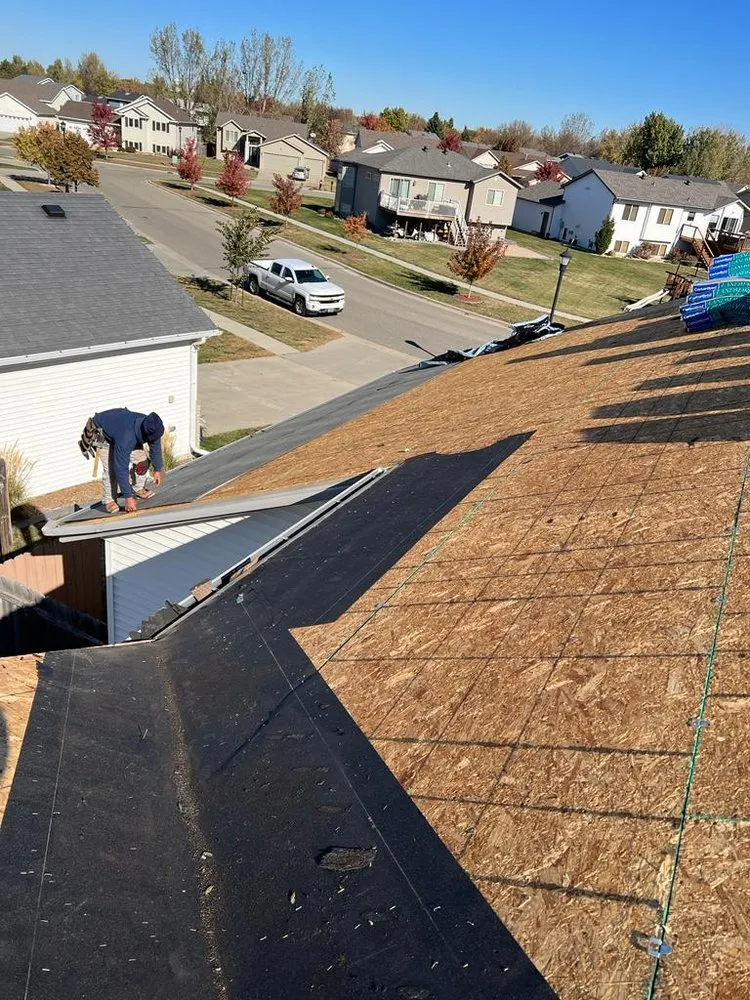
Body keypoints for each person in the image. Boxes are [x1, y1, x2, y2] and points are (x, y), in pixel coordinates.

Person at [84, 409, 165, 513]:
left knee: (141, 461)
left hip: (120, 427)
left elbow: (155, 444)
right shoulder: (126, 439)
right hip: (102, 433)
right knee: (111, 469)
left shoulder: (152, 425)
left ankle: (138, 488)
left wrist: (158, 469)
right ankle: (110, 500)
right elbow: (121, 467)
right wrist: (128, 497)